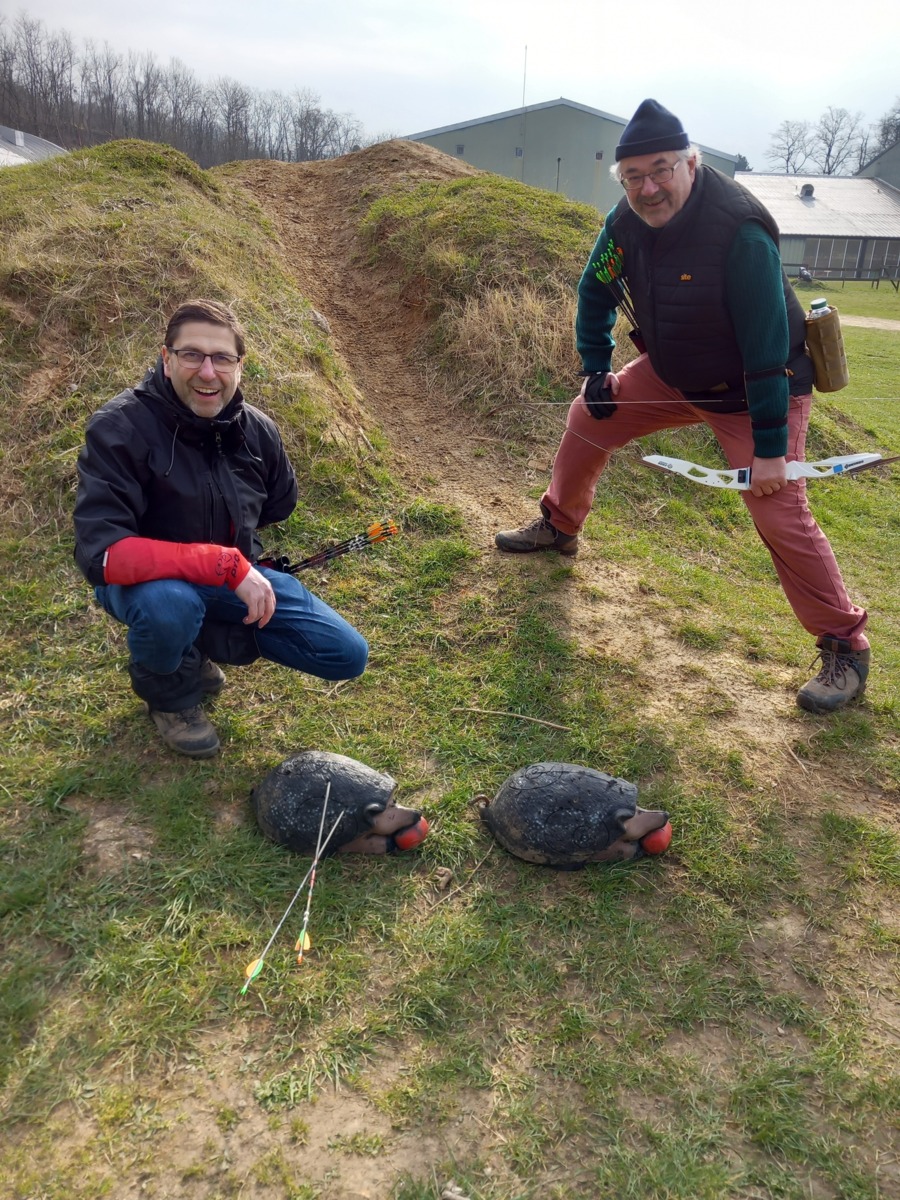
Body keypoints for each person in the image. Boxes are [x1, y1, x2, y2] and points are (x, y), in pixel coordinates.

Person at [495, 99, 869, 715]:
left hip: (755, 389)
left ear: (690, 164)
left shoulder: (740, 233)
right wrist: (595, 367)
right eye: (633, 176)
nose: (648, 188)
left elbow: (766, 349)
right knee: (588, 417)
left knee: (778, 510)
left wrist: (769, 451)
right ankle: (559, 526)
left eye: (661, 170)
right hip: (675, 376)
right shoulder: (623, 224)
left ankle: (844, 645)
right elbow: (596, 287)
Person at [73, 299, 369, 758]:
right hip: (147, 587)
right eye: (192, 355)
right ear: (167, 358)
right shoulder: (118, 427)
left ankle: (190, 647)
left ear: (239, 365)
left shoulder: (258, 430)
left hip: (229, 578)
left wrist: (241, 562)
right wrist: (223, 563)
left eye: (222, 358)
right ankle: (169, 692)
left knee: (345, 654)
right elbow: (102, 554)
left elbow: (277, 504)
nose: (208, 372)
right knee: (170, 606)